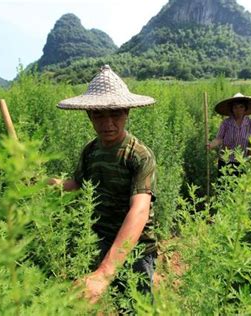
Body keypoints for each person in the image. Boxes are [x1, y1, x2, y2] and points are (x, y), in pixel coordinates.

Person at [49, 65, 157, 305]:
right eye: (99, 114)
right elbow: (77, 184)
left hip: (136, 248)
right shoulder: (91, 150)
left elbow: (139, 210)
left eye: (116, 113)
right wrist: (42, 182)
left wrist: (105, 272)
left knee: (136, 307)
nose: (108, 123)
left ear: (127, 112)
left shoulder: (138, 155)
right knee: (117, 303)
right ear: (89, 115)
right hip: (102, 240)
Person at [207, 93, 251, 177]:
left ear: (245, 108)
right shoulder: (226, 123)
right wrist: (211, 145)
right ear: (232, 109)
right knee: (225, 187)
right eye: (235, 107)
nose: (238, 110)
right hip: (226, 161)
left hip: (242, 162)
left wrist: (250, 160)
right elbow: (219, 139)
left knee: (240, 188)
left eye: (241, 107)